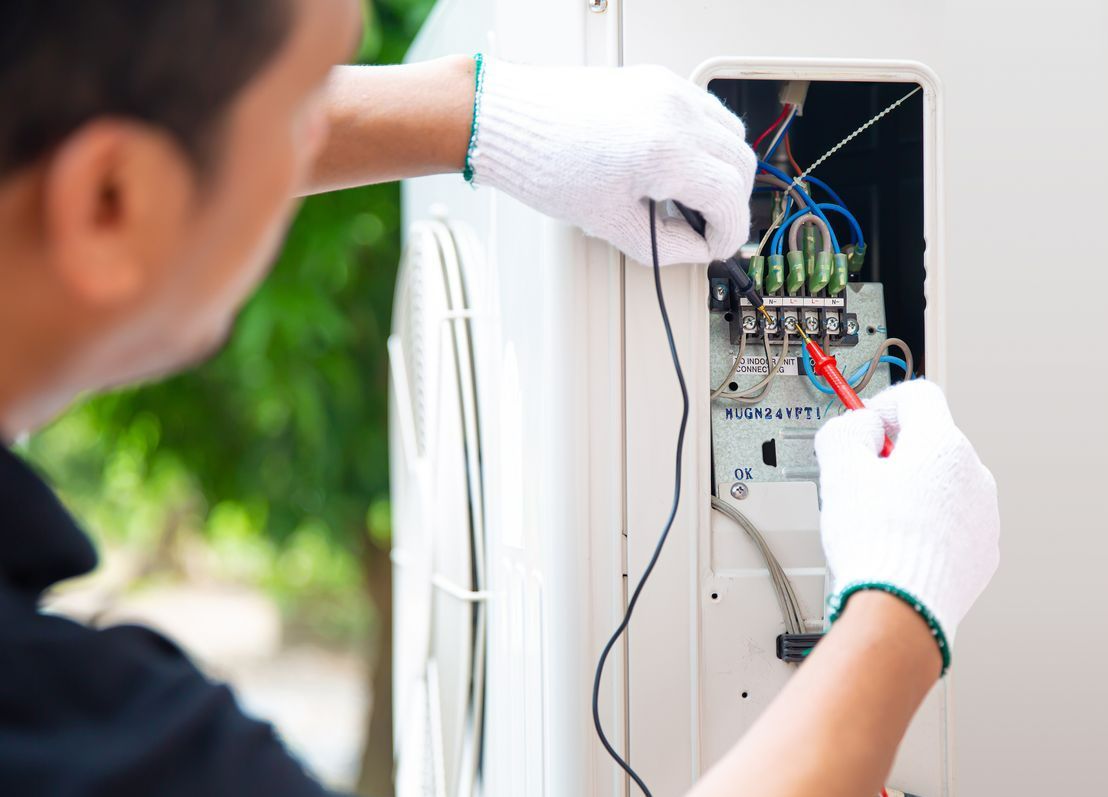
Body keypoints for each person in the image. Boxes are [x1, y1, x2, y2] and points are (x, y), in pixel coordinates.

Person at [0, 1, 999, 795]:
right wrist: (894, 616)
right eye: (303, 102)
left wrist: (473, 114)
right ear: (109, 201)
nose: (317, 128)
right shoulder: (86, 741)